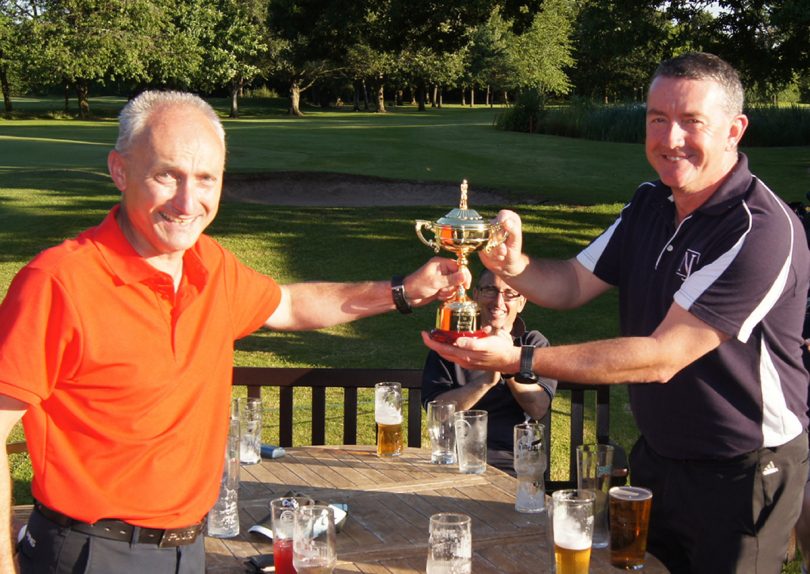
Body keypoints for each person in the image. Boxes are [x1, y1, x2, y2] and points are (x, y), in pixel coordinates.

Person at [0, 91, 468, 573]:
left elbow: (286, 304)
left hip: (189, 547)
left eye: (206, 179)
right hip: (93, 553)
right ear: (120, 170)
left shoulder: (210, 264)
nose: (188, 202)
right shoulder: (58, 283)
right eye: (167, 175)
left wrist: (404, 291)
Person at [423, 52, 810, 574]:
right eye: (657, 118)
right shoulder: (651, 203)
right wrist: (509, 262)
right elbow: (572, 282)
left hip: (743, 471)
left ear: (734, 130)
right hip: (659, 456)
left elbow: (662, 356)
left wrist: (520, 360)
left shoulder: (757, 230)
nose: (669, 138)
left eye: (692, 121)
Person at [421, 269, 556, 473]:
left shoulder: (533, 344)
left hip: (516, 463)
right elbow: (439, 414)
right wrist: (484, 382)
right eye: (490, 290)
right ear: (475, 296)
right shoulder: (450, 346)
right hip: (458, 460)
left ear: (522, 302)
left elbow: (538, 407)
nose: (499, 302)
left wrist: (507, 364)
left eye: (510, 293)